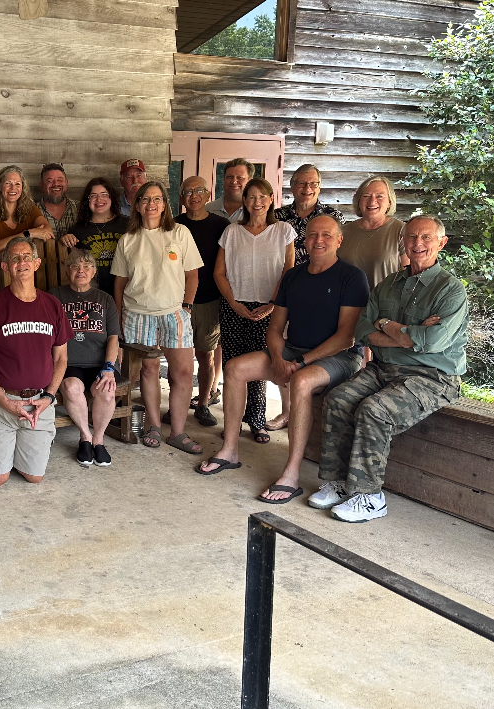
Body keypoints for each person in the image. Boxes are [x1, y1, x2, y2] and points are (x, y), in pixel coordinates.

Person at [196, 216, 368, 506]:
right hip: (293, 351)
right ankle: (230, 450)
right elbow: (274, 329)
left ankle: (291, 474)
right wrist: (277, 357)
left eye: (326, 235)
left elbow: (346, 338)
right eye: (312, 235)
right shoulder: (293, 276)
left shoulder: (351, 277)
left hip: (338, 357)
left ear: (339, 240)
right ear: (305, 240)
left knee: (300, 381)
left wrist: (299, 363)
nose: (318, 240)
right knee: (235, 367)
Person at [310, 215, 468, 522]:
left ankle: (370, 497)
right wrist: (403, 331)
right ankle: (342, 483)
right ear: (403, 242)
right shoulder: (388, 285)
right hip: (384, 368)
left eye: (426, 238)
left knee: (375, 410)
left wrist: (394, 332)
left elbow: (432, 343)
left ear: (441, 243)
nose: (417, 244)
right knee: (338, 399)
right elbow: (365, 330)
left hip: (431, 376)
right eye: (411, 238)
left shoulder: (450, 290)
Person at [0, 235, 70, 485]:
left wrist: (48, 398)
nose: (21, 262)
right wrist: (4, 401)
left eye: (26, 257)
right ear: (5, 267)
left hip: (38, 403)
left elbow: (61, 359)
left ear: (36, 264)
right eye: (14, 258)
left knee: (34, 477)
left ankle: (5, 446)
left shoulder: (53, 305)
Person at [111, 182, 203, 453]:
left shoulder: (179, 233)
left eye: (157, 199)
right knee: (149, 370)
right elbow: (119, 282)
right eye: (145, 199)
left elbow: (192, 273)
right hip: (138, 314)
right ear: (137, 205)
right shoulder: (128, 239)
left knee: (183, 373)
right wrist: (118, 317)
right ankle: (153, 425)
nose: (151, 204)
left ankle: (178, 431)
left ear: (164, 204)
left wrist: (187, 305)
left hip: (174, 313)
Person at [215, 179, 296, 444]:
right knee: (232, 366)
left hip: (269, 308)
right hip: (234, 306)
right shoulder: (232, 232)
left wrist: (272, 304)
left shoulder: (283, 230)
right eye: (250, 197)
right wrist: (234, 303)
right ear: (244, 201)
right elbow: (219, 273)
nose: (256, 202)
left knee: (259, 367)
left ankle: (258, 421)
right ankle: (233, 421)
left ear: (271, 199)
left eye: (262, 196)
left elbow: (288, 272)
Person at [267, 164, 345, 431]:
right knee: (282, 348)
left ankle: (309, 412)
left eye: (313, 183)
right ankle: (287, 411)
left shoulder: (332, 216)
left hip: (320, 293)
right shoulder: (277, 216)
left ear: (319, 186)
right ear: (292, 186)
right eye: (301, 183)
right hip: (285, 290)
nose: (307, 189)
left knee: (312, 350)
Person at [50, 250, 120, 466]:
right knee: (71, 388)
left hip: (100, 364)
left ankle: (99, 440)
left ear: (94, 271)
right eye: (75, 266)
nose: (81, 271)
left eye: (86, 266)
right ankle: (85, 437)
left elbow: (113, 338)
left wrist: (109, 367)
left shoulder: (105, 299)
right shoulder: (54, 297)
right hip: (68, 363)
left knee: (106, 391)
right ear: (67, 271)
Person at [175, 175, 231, 426]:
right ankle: (178, 402)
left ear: (208, 195)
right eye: (188, 192)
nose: (194, 196)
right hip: (177, 301)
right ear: (181, 198)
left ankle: (204, 403)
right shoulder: (174, 225)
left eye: (199, 191)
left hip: (209, 300)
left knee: (205, 355)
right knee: (178, 357)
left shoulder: (222, 225)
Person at [0, 166, 53, 316]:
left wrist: (35, 232)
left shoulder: (30, 210)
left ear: (23, 188)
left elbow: (47, 231)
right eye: (8, 183)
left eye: (17, 184)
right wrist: (29, 233)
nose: (13, 188)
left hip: (23, 284)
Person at [339, 176, 407, 289]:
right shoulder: (342, 232)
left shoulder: (402, 230)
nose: (372, 201)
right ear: (359, 201)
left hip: (385, 304)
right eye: (366, 196)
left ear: (389, 202)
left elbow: (407, 275)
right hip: (348, 304)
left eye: (379, 196)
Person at [64, 177, 129, 295]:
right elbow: (73, 263)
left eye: (104, 194)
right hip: (93, 295)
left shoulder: (127, 224)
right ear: (87, 200)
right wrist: (65, 239)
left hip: (125, 291)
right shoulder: (77, 230)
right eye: (93, 195)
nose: (99, 199)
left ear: (111, 197)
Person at [36, 163, 79, 241]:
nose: (56, 184)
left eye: (60, 180)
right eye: (50, 181)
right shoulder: (31, 212)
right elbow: (23, 237)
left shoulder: (80, 208)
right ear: (41, 185)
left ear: (66, 183)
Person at [206, 158, 253, 223]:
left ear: (250, 181)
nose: (234, 181)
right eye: (229, 177)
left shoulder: (255, 212)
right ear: (224, 179)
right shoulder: (208, 209)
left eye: (240, 177)